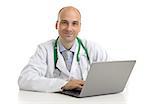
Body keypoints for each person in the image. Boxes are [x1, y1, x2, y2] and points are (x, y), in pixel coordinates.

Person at [18, 6, 108, 92]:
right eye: (64, 22)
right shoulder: (44, 50)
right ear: (57, 25)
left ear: (80, 27)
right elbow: (25, 80)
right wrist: (64, 84)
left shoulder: (93, 49)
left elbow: (110, 77)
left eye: (74, 23)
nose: (69, 28)